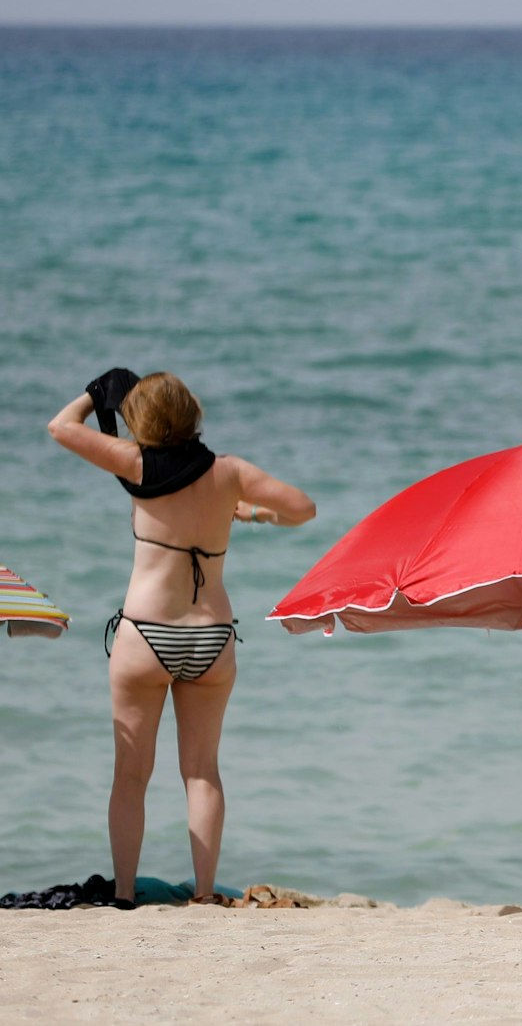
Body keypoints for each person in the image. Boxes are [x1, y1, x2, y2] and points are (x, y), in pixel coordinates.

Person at [48, 369, 316, 907]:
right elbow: (303, 509)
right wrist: (253, 513)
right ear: (192, 413)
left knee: (132, 774)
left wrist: (96, 392)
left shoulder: (135, 464)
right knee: (202, 771)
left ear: (141, 421)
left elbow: (61, 427)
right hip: (212, 638)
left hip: (146, 635)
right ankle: (203, 892)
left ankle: (124, 893)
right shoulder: (229, 471)